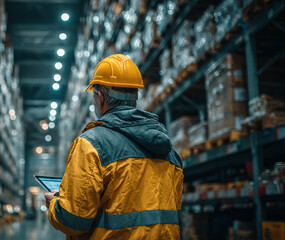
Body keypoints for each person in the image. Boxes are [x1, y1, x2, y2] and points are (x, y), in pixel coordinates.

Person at [45, 54, 183, 239]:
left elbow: (74, 220)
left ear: (100, 98)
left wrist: (55, 203)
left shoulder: (91, 145)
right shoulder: (169, 151)